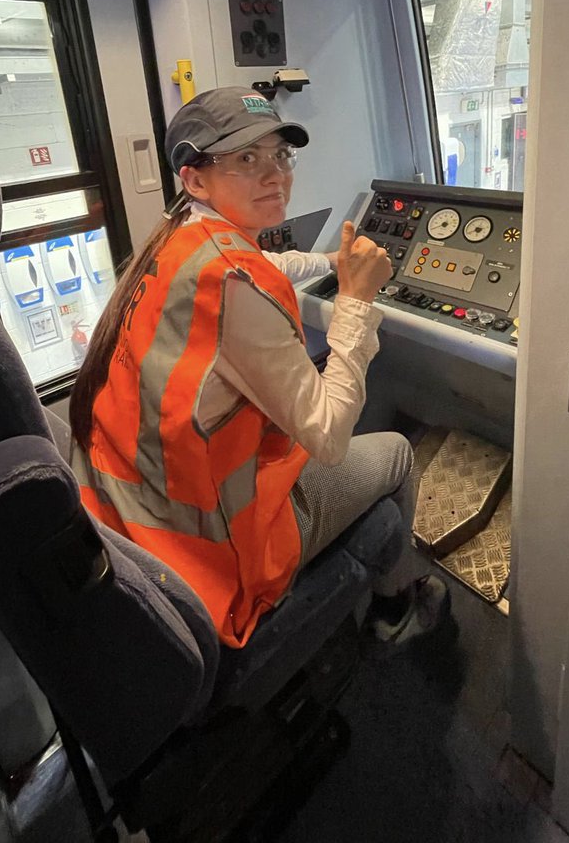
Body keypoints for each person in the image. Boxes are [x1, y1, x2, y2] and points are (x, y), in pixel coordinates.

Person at [69, 87, 448, 649]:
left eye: (280, 156)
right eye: (246, 160)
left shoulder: (178, 239)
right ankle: (395, 608)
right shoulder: (234, 285)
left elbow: (267, 261)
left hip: (132, 509)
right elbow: (328, 436)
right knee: (394, 450)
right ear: (195, 179)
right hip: (214, 546)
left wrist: (332, 264)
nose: (275, 175)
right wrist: (356, 303)